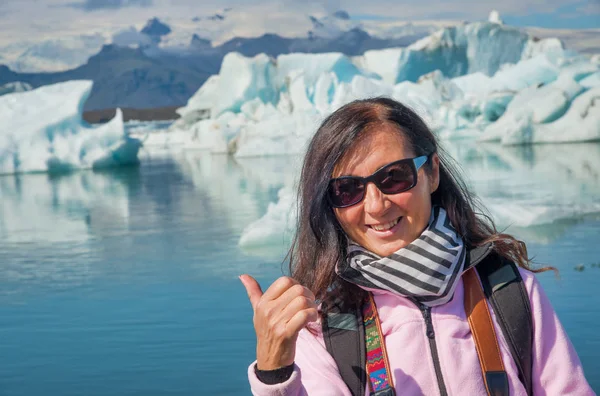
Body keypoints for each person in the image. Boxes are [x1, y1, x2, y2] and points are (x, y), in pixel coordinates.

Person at [240, 97, 594, 395]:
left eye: (393, 177)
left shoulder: (505, 287)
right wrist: (275, 373)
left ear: (432, 173)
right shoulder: (323, 323)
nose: (376, 205)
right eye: (348, 189)